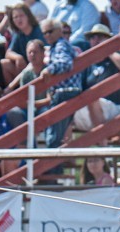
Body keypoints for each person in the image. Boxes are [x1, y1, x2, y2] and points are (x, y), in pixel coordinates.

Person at [73, 24, 120, 133]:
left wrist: (108, 50)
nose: (96, 40)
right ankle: (63, 147)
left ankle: (103, 144)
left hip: (115, 107)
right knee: (67, 106)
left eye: (100, 36)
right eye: (92, 37)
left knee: (92, 99)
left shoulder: (114, 57)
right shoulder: (88, 63)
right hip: (92, 110)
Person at [40, 19, 81, 151]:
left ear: (59, 31)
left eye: (50, 31)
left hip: (64, 92)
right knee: (55, 137)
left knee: (54, 138)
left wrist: (49, 70)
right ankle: (53, 168)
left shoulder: (60, 45)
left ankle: (51, 169)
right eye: (44, 33)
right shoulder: (58, 45)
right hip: (65, 92)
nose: (47, 35)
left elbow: (65, 63)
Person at [2, 3, 46, 83]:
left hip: (39, 68)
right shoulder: (18, 33)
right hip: (24, 67)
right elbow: (8, 53)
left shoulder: (38, 31)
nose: (19, 19)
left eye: (21, 15)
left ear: (28, 16)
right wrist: (18, 57)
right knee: (4, 63)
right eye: (15, 17)